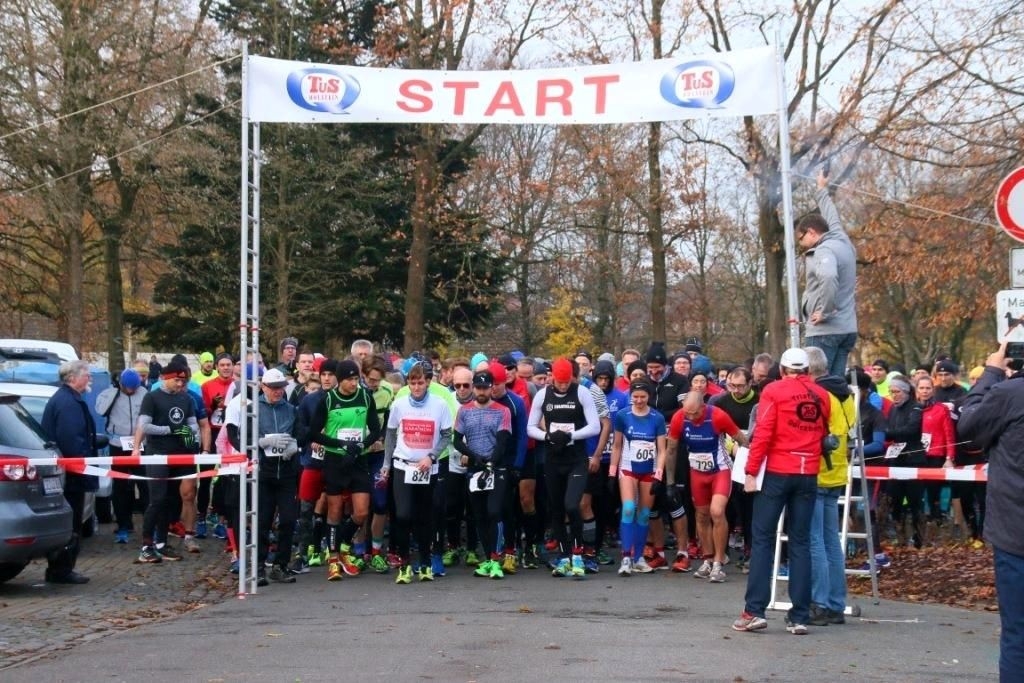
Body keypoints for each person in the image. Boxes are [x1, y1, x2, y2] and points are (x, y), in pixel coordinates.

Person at [733, 347, 830, 635]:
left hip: (777, 470)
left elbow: (763, 432)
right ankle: (800, 615)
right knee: (800, 542)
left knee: (763, 539)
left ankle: (754, 611)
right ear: (807, 371)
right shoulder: (821, 395)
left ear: (783, 370)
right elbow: (824, 434)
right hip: (808, 472)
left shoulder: (774, 391)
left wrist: (751, 471)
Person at [957, 341, 1024, 682]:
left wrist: (992, 372)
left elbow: (968, 425)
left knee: (1017, 633)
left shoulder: (1010, 394)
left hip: (1015, 532)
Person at [526, 358, 602, 579]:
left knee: (572, 504)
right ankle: (564, 556)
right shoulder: (543, 395)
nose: (562, 385)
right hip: (553, 459)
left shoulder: (581, 393)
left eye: (566, 381)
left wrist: (571, 435)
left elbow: (594, 426)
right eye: (558, 382)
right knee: (556, 509)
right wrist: (547, 436)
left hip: (576, 459)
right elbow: (531, 427)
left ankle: (578, 553)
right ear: (552, 378)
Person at [379, 363, 453, 584]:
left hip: (426, 467)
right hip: (403, 465)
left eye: (421, 382)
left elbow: (447, 435)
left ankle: (425, 563)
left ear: (428, 382)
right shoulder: (399, 405)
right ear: (408, 383)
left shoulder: (439, 404)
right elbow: (391, 435)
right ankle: (404, 564)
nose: (417, 387)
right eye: (413, 382)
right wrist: (386, 465)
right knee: (402, 515)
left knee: (424, 517)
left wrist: (431, 456)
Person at [308, 359, 381, 581]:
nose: (354, 383)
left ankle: (344, 546)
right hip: (335, 460)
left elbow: (375, 429)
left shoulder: (365, 396)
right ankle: (333, 559)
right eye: (350, 379)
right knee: (335, 510)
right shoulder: (329, 399)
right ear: (340, 380)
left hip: (358, 459)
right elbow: (314, 433)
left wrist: (360, 445)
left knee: (361, 512)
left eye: (356, 378)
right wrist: (340, 444)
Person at [667, 392, 748, 583]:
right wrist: (669, 481)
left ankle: (719, 563)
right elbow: (671, 449)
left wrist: (750, 471)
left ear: (703, 407)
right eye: (687, 413)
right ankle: (708, 559)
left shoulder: (718, 415)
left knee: (717, 512)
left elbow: (742, 440)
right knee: (701, 515)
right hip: (697, 472)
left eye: (694, 413)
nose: (690, 417)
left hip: (720, 470)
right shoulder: (680, 417)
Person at [131, 357, 200, 564]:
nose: (180, 385)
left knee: (171, 501)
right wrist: (171, 430)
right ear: (165, 379)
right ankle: (146, 545)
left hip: (180, 455)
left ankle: (161, 543)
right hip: (158, 455)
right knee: (157, 500)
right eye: (176, 381)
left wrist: (190, 440)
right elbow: (145, 426)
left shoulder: (186, 399)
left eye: (183, 381)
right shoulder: (152, 398)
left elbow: (193, 426)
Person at [805, 346, 855, 626]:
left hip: (817, 470)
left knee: (815, 541)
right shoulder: (846, 394)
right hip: (837, 470)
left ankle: (819, 602)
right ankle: (836, 602)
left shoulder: (819, 395)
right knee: (831, 541)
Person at [40, 360, 100, 584]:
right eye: (87, 375)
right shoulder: (68, 403)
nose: (90, 379)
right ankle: (61, 569)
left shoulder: (67, 399)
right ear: (74, 377)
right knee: (71, 521)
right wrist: (83, 465)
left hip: (69, 472)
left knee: (73, 520)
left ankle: (62, 567)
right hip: (72, 474)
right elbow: (72, 440)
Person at [798, 167, 858, 378]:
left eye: (801, 237)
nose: (801, 243)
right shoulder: (841, 239)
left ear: (811, 232)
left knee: (815, 387)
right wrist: (821, 190)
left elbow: (829, 276)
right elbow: (831, 216)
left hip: (825, 332)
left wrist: (824, 311)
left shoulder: (823, 250)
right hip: (847, 329)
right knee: (834, 387)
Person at [454, 369, 512, 580]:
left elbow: (504, 439)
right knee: (479, 515)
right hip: (475, 468)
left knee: (494, 511)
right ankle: (488, 557)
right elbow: (457, 440)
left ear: (491, 388)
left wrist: (491, 461)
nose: (481, 391)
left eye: (485, 387)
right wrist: (473, 456)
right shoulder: (464, 411)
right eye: (478, 387)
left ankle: (497, 558)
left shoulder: (502, 410)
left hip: (496, 467)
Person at [608, 379, 667, 576]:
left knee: (643, 513)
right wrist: (612, 472)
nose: (639, 401)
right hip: (627, 468)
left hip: (648, 471)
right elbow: (617, 445)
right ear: (630, 396)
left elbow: (662, 450)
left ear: (649, 397)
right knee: (628, 508)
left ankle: (639, 557)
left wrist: (659, 474)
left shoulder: (657, 418)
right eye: (635, 397)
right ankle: (626, 557)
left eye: (643, 397)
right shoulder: (622, 415)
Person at [249, 369, 300, 586]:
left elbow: (299, 434)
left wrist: (294, 447)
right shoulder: (253, 409)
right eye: (273, 388)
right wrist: (262, 442)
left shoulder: (290, 409)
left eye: (281, 387)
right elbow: (244, 438)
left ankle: (280, 565)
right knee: (262, 520)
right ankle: (259, 566)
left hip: (287, 471)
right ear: (263, 387)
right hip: (264, 471)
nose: (278, 392)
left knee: (288, 520)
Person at [95, 368, 147, 544]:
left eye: (135, 388)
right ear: (121, 384)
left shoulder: (144, 393)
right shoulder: (109, 394)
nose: (131, 391)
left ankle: (149, 526)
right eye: (128, 388)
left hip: (140, 444)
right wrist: (115, 392)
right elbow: (100, 411)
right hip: (117, 444)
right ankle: (123, 524)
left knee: (144, 484)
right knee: (120, 486)